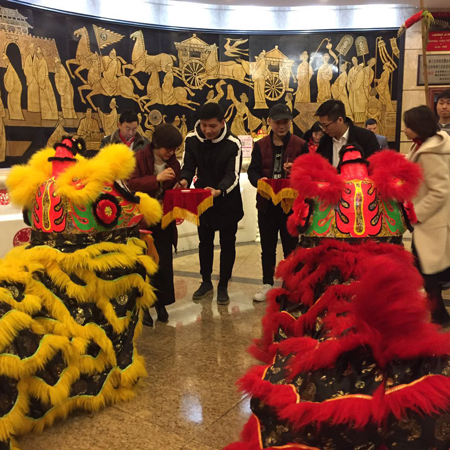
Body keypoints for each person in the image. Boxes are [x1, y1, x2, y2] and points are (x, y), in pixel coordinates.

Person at [179, 103, 243, 305]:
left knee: (227, 244)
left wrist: (218, 190)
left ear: (223, 123)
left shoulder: (233, 143)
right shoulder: (191, 139)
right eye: (204, 125)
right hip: (203, 200)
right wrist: (183, 180)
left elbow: (232, 175)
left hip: (226, 200)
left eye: (213, 126)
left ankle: (223, 284)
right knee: (204, 243)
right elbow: (188, 166)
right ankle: (205, 281)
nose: (208, 130)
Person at [248, 103, 308, 302]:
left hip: (290, 204)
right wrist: (259, 181)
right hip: (267, 203)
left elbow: (309, 172)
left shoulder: (300, 144)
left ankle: (291, 284)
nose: (281, 127)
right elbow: (253, 171)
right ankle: (267, 283)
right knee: (268, 245)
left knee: (291, 246)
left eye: (285, 123)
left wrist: (296, 170)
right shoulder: (260, 145)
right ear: (269, 122)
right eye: (277, 122)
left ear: (290, 123)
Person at [128, 124, 182, 325]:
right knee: (144, 262)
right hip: (141, 219)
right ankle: (144, 307)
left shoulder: (173, 163)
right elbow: (129, 184)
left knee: (164, 262)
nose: (171, 153)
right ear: (156, 144)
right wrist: (156, 179)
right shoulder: (138, 158)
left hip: (164, 219)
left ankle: (161, 303)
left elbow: (174, 184)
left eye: (174, 149)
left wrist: (181, 184)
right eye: (168, 148)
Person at [404, 105, 450, 326]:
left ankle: (439, 316)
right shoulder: (420, 146)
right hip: (428, 222)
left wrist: (417, 213)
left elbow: (441, 190)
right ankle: (438, 314)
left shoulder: (431, 152)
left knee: (427, 272)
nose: (404, 130)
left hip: (433, 221)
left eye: (408, 126)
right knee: (425, 270)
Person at [315, 99, 380, 167]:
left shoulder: (366, 138)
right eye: (321, 126)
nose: (324, 130)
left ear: (340, 120)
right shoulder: (324, 141)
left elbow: (374, 167)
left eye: (325, 126)